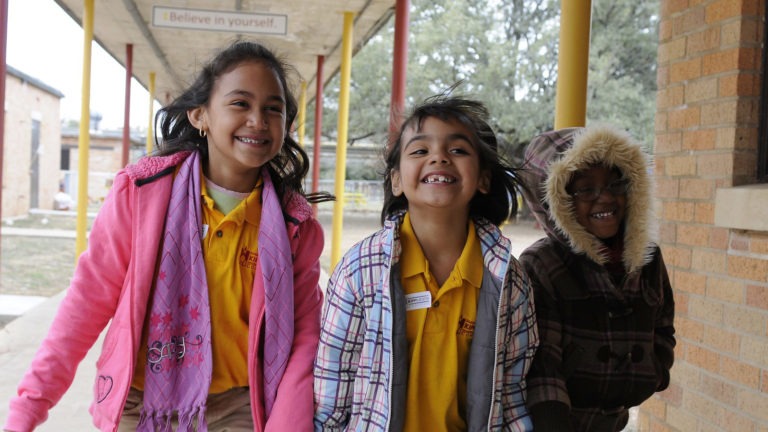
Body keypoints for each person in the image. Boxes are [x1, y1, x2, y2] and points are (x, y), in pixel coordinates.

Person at [4, 40, 332, 432]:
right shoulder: (142, 194)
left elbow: (304, 341)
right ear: (200, 115)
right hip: (143, 404)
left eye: (273, 109)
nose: (258, 120)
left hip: (241, 408)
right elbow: (84, 306)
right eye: (240, 103)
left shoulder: (296, 225)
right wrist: (27, 410)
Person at [313, 94, 538, 431]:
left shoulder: (508, 280)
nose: (439, 158)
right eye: (420, 151)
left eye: (458, 150)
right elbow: (331, 389)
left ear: (483, 179)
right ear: (397, 180)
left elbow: (512, 397)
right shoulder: (359, 271)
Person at [518, 125, 676, 431]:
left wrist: (655, 369)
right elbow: (541, 362)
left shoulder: (648, 256)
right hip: (558, 421)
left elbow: (663, 324)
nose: (605, 198)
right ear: (556, 203)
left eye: (615, 184)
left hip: (615, 420)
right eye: (585, 189)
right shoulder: (542, 264)